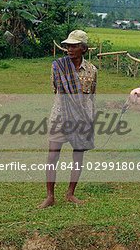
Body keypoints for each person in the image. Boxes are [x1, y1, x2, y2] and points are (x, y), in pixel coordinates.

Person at [39, 30, 97, 209]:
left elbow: (92, 96)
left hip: (81, 119)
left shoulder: (92, 70)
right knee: (52, 155)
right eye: (68, 46)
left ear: (83, 48)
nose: (69, 49)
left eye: (74, 46)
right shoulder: (58, 66)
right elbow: (55, 89)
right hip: (60, 116)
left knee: (78, 157)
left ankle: (70, 193)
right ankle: (50, 196)